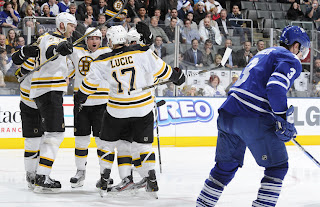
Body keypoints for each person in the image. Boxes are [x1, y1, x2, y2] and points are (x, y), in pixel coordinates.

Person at [197, 25, 310, 207]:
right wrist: (281, 118)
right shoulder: (290, 59)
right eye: (302, 49)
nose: (302, 54)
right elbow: (275, 87)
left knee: (225, 168)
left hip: (228, 112)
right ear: (295, 46)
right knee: (277, 166)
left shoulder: (263, 53)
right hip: (251, 115)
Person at [74, 23, 185, 196]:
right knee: (144, 147)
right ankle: (151, 179)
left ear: (110, 41)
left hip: (117, 110)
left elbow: (88, 86)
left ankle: (104, 179)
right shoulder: (142, 52)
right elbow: (165, 72)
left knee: (107, 144)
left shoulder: (102, 60)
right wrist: (178, 77)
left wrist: (80, 98)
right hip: (143, 108)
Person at [13, 12, 76, 193]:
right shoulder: (47, 42)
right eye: (71, 25)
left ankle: (35, 176)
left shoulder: (44, 41)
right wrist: (54, 50)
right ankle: (38, 176)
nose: (74, 28)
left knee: (37, 140)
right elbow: (48, 52)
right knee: (45, 137)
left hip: (34, 95)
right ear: (62, 25)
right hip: (37, 95)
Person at [67, 27, 112, 188]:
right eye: (91, 38)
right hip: (81, 104)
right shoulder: (76, 51)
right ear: (86, 40)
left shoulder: (109, 51)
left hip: (102, 104)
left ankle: (104, 174)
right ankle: (80, 172)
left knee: (102, 142)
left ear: (102, 40)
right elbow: (63, 46)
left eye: (97, 38)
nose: (94, 41)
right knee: (80, 141)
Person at [11, 43, 43, 189]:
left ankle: (42, 173)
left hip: (46, 103)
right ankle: (31, 173)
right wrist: (25, 52)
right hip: (29, 103)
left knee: (45, 141)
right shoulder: (31, 53)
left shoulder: (53, 57)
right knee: (32, 141)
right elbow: (16, 64)